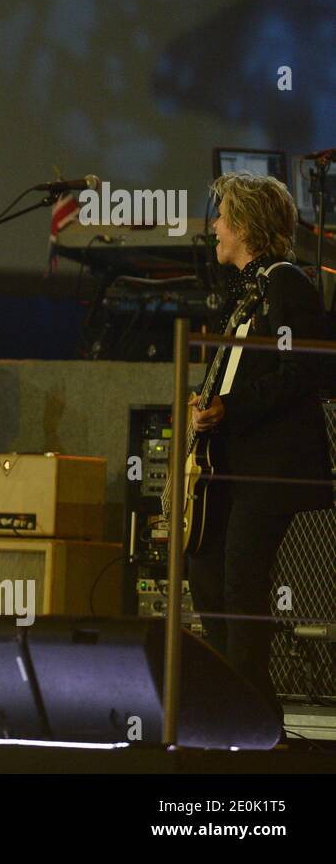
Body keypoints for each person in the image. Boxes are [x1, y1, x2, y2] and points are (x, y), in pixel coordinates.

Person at [188, 171, 331, 707]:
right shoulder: (248, 288)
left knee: (241, 581)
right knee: (204, 567)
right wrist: (204, 404)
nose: (216, 228)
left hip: (268, 468)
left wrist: (232, 407)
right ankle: (234, 696)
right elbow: (237, 370)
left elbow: (306, 371)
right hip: (231, 461)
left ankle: (248, 712)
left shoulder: (287, 282)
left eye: (223, 217)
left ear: (245, 224)